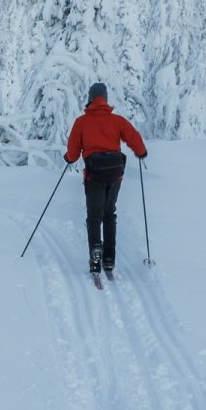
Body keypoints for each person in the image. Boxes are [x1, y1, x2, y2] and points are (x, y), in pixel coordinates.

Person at [64, 81, 148, 279]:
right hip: (115, 174)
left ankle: (95, 256)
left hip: (94, 175)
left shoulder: (81, 122)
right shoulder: (117, 120)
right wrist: (141, 152)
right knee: (109, 213)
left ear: (91, 99)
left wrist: (68, 158)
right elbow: (134, 137)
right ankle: (109, 259)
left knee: (94, 215)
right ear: (106, 99)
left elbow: (73, 153)